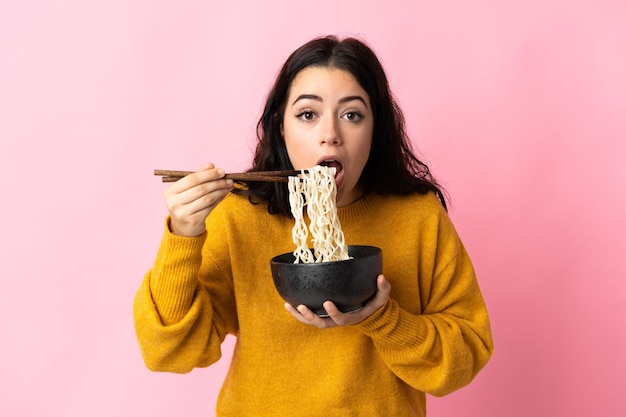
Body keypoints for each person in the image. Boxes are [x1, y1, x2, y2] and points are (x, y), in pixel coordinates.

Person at [134, 35, 494, 416]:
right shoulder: (239, 217)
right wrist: (183, 236)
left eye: (352, 115)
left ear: (376, 129)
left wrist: (383, 318)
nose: (330, 134)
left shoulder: (417, 216)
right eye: (308, 115)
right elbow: (168, 352)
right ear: (280, 127)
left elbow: (466, 355)